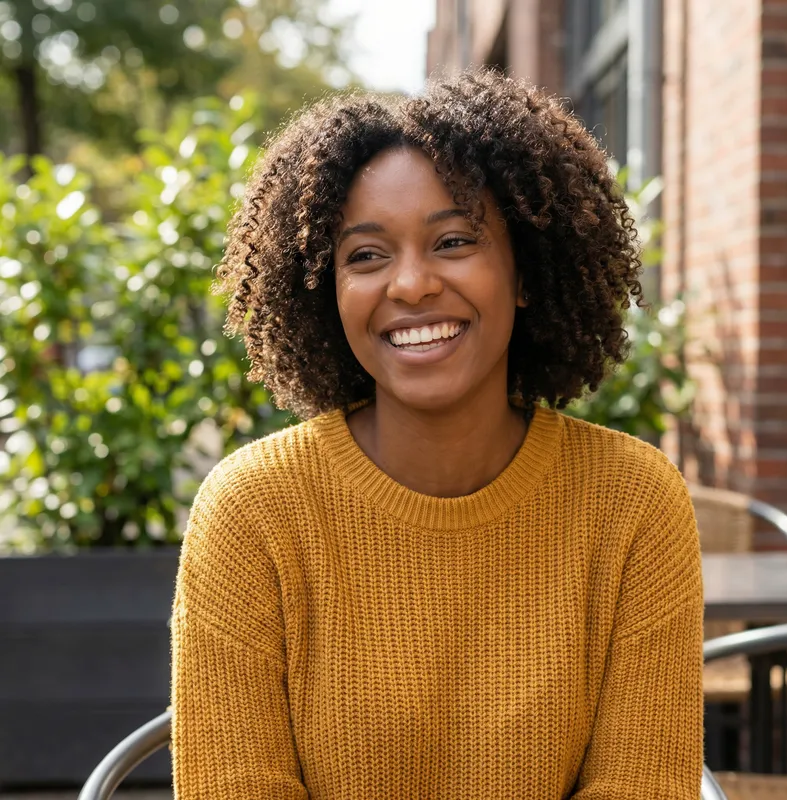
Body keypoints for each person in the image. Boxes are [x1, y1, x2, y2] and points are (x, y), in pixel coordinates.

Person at [169, 69, 703, 799]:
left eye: (453, 241)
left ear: (525, 271)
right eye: (365, 254)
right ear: (327, 290)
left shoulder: (634, 502)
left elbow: (642, 786)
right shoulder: (251, 511)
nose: (411, 284)